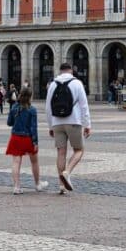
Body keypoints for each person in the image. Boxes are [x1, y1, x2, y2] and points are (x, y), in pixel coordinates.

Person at [46, 63, 91, 194]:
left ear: (60, 71)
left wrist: (50, 126)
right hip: (73, 121)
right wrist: (87, 124)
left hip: (57, 122)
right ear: (71, 70)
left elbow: (48, 107)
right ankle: (67, 172)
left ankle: (61, 186)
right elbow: (84, 106)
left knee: (61, 153)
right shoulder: (77, 83)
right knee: (79, 150)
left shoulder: (53, 84)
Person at [6, 87, 47, 194]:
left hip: (16, 137)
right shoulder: (32, 109)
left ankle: (16, 187)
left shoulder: (14, 107)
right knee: (34, 161)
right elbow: (34, 128)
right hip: (28, 138)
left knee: (16, 162)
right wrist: (35, 142)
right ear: (30, 97)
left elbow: (9, 123)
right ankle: (38, 184)